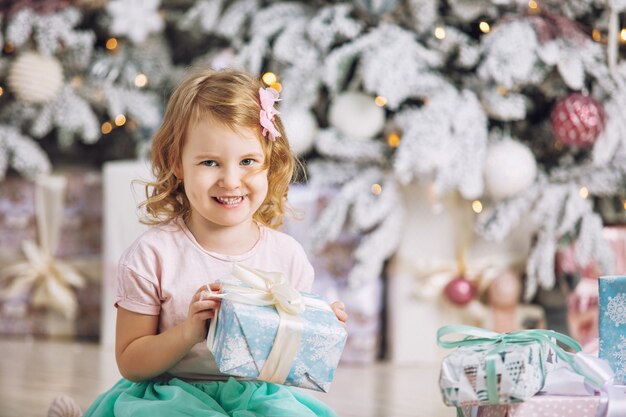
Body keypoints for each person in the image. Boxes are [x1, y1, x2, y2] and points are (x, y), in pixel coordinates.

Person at [79, 68, 348, 417]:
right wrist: (189, 332)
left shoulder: (287, 256)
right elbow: (130, 362)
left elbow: (285, 364)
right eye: (210, 162)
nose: (231, 180)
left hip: (256, 396)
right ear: (178, 163)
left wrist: (317, 329)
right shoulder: (153, 255)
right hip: (173, 395)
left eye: (248, 161)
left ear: (270, 162)